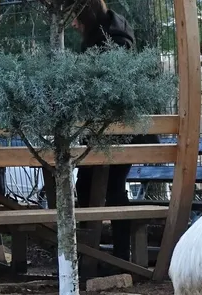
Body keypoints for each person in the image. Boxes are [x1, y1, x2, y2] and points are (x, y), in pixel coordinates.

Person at [67, 0, 159, 263]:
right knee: (89, 185)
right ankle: (97, 254)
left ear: (87, 14)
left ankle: (114, 256)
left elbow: (109, 90)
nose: (73, 24)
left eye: (76, 17)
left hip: (121, 133)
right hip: (110, 132)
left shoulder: (115, 41)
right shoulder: (107, 33)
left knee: (110, 187)